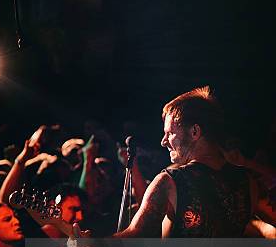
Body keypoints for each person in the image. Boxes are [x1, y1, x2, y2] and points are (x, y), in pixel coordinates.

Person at [114, 86, 276, 238]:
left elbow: (135, 235)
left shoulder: (169, 181)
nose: (163, 142)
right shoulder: (248, 183)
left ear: (194, 132)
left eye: (169, 133)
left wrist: (92, 242)